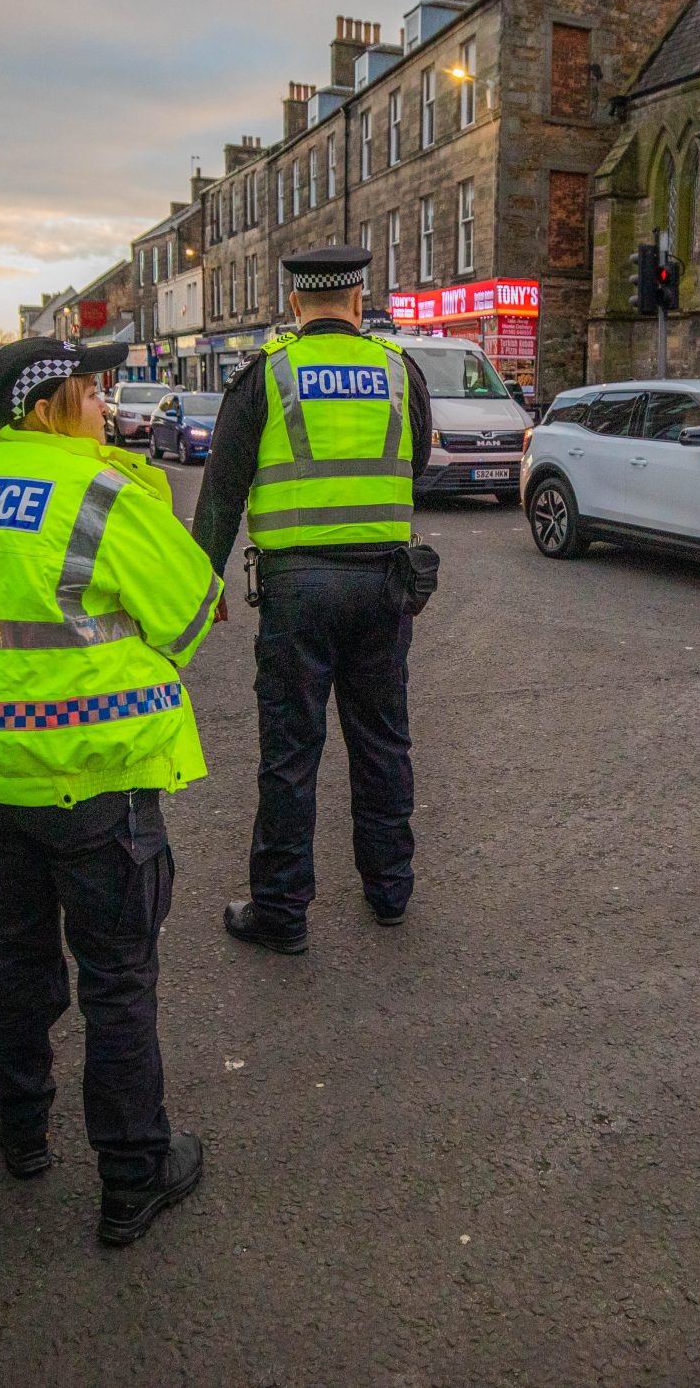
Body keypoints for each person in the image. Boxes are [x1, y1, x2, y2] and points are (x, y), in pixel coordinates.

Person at [0, 336, 222, 1245]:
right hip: (92, 781)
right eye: (93, 388)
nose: (104, 402)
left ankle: (20, 1131)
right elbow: (190, 613)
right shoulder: (102, 490)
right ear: (49, 406)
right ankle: (132, 1174)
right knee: (117, 977)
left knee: (11, 956)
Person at [192, 243, 433, 952]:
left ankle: (282, 911)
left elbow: (220, 500)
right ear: (359, 303)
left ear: (295, 306)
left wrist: (200, 588)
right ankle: (390, 890)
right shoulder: (400, 372)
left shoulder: (268, 376)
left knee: (291, 751)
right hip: (386, 585)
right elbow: (413, 463)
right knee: (384, 740)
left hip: (297, 593)